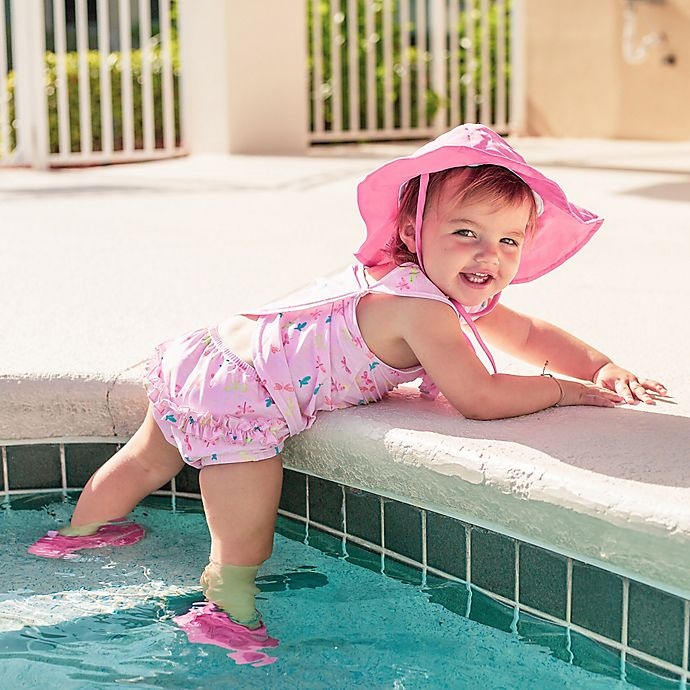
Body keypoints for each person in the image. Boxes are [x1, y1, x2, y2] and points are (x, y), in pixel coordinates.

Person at [29, 124, 666, 632]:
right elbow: (480, 398)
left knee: (143, 464)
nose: (488, 256)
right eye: (466, 233)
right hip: (243, 397)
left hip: (211, 353)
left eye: (508, 242)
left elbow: (528, 335)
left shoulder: (411, 283)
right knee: (244, 536)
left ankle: (74, 536)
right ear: (416, 232)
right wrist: (566, 388)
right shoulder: (420, 309)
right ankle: (223, 611)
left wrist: (601, 365)